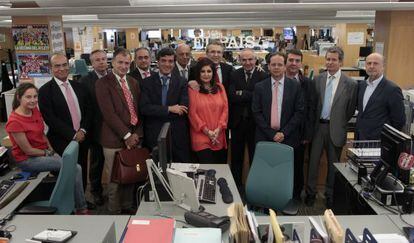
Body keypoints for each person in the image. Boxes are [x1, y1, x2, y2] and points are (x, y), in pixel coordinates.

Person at [6, 83, 89, 215]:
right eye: (28, 97)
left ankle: (72, 202)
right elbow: (28, 150)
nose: (33, 100)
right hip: (27, 159)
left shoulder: (34, 111)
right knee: (75, 167)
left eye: (35, 96)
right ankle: (81, 208)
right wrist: (49, 154)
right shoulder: (15, 121)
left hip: (42, 153)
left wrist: (53, 151)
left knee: (70, 166)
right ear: (18, 97)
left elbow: (42, 134)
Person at [305, 46, 357, 208]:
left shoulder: (350, 84)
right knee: (313, 163)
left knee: (334, 166)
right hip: (318, 128)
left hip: (336, 129)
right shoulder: (318, 79)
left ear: (341, 62)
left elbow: (350, 110)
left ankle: (330, 194)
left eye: (334, 60)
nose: (330, 62)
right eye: (328, 59)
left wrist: (338, 121)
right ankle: (310, 193)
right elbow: (313, 105)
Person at [95, 48, 141, 214]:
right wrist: (127, 135)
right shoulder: (103, 83)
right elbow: (109, 114)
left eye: (127, 63)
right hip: (113, 139)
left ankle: (128, 207)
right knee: (115, 179)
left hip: (134, 138)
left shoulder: (133, 82)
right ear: (112, 63)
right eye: (120, 62)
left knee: (130, 175)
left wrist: (136, 134)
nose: (123, 66)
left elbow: (138, 111)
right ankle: (114, 211)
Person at [38, 53, 91, 194]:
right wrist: (73, 135)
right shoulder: (45, 91)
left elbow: (88, 111)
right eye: (57, 66)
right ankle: (66, 204)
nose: (61, 69)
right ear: (51, 68)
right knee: (64, 174)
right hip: (61, 141)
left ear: (69, 66)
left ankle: (81, 200)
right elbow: (50, 118)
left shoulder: (79, 87)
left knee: (82, 170)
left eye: (64, 65)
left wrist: (83, 131)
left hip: (82, 138)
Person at [140, 47, 191, 162]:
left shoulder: (182, 82)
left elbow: (183, 109)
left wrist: (157, 110)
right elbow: (144, 108)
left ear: (174, 62)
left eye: (170, 61)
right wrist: (169, 109)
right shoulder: (146, 83)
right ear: (157, 62)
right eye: (163, 61)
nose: (167, 64)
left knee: (179, 171)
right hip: (154, 134)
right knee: (156, 172)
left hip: (177, 135)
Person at [228, 48, 268, 186]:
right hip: (237, 123)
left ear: (255, 60)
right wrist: (251, 94)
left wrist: (242, 93)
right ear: (239, 60)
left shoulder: (263, 75)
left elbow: (261, 98)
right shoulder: (234, 74)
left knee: (254, 158)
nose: (247, 62)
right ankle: (236, 187)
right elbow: (232, 96)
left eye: (250, 59)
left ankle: (253, 187)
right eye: (244, 60)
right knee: (236, 158)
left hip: (255, 124)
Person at [285, 49, 317, 204]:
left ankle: (296, 196)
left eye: (297, 61)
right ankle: (280, 194)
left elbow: (311, 110)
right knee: (280, 166)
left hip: (299, 133)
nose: (293, 63)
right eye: (291, 60)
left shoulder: (308, 84)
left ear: (301, 63)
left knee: (297, 166)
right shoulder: (276, 80)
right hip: (279, 133)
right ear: (286, 61)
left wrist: (307, 134)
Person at [78, 49, 108, 206]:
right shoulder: (85, 81)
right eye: (98, 60)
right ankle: (96, 192)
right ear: (92, 63)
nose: (102, 62)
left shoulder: (113, 77)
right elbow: (85, 107)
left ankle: (116, 191)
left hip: (113, 127)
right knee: (97, 162)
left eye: (103, 59)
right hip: (95, 128)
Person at [355, 52, 406, 140]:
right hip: (360, 137)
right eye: (369, 63)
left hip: (379, 141)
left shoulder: (392, 89)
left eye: (375, 63)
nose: (371, 66)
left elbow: (399, 121)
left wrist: (387, 139)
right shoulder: (362, 85)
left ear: (383, 67)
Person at [188, 58, 228, 163]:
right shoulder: (193, 89)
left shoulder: (220, 88)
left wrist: (218, 129)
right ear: (198, 73)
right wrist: (207, 131)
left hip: (218, 134)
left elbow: (225, 110)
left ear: (213, 73)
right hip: (201, 136)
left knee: (220, 170)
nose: (206, 74)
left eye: (209, 71)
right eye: (203, 71)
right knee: (207, 170)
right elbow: (192, 113)